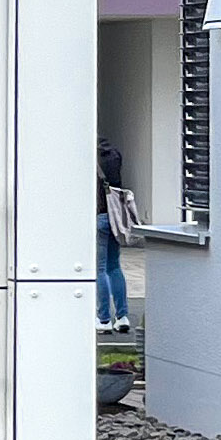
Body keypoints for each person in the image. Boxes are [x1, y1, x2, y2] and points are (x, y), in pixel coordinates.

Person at [96, 139, 132, 330]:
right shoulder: (114, 155)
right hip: (115, 216)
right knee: (114, 266)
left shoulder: (90, 158)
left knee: (99, 269)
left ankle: (103, 319)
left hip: (99, 215)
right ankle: (122, 317)